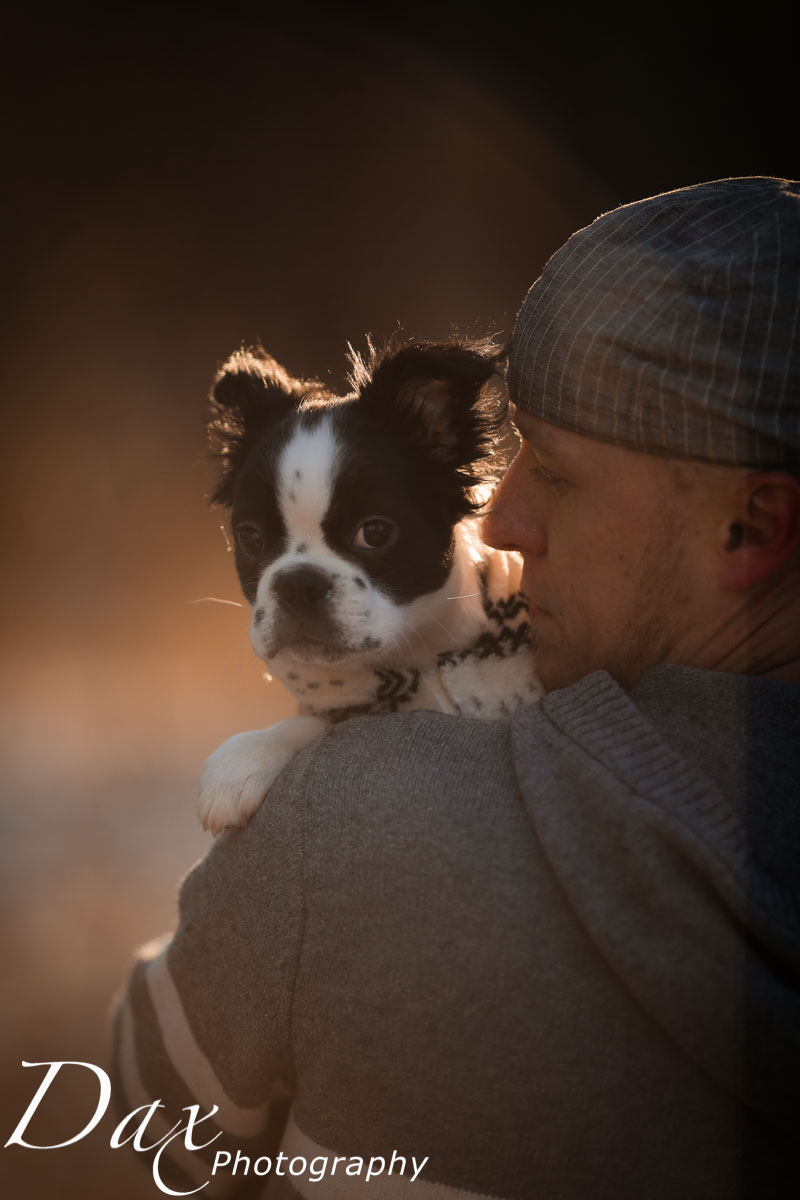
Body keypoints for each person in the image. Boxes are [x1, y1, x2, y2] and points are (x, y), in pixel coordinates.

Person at [112, 177, 800, 1200]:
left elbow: (150, 1138)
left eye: (557, 475)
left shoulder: (348, 823)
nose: (499, 519)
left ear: (746, 528)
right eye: (505, 455)